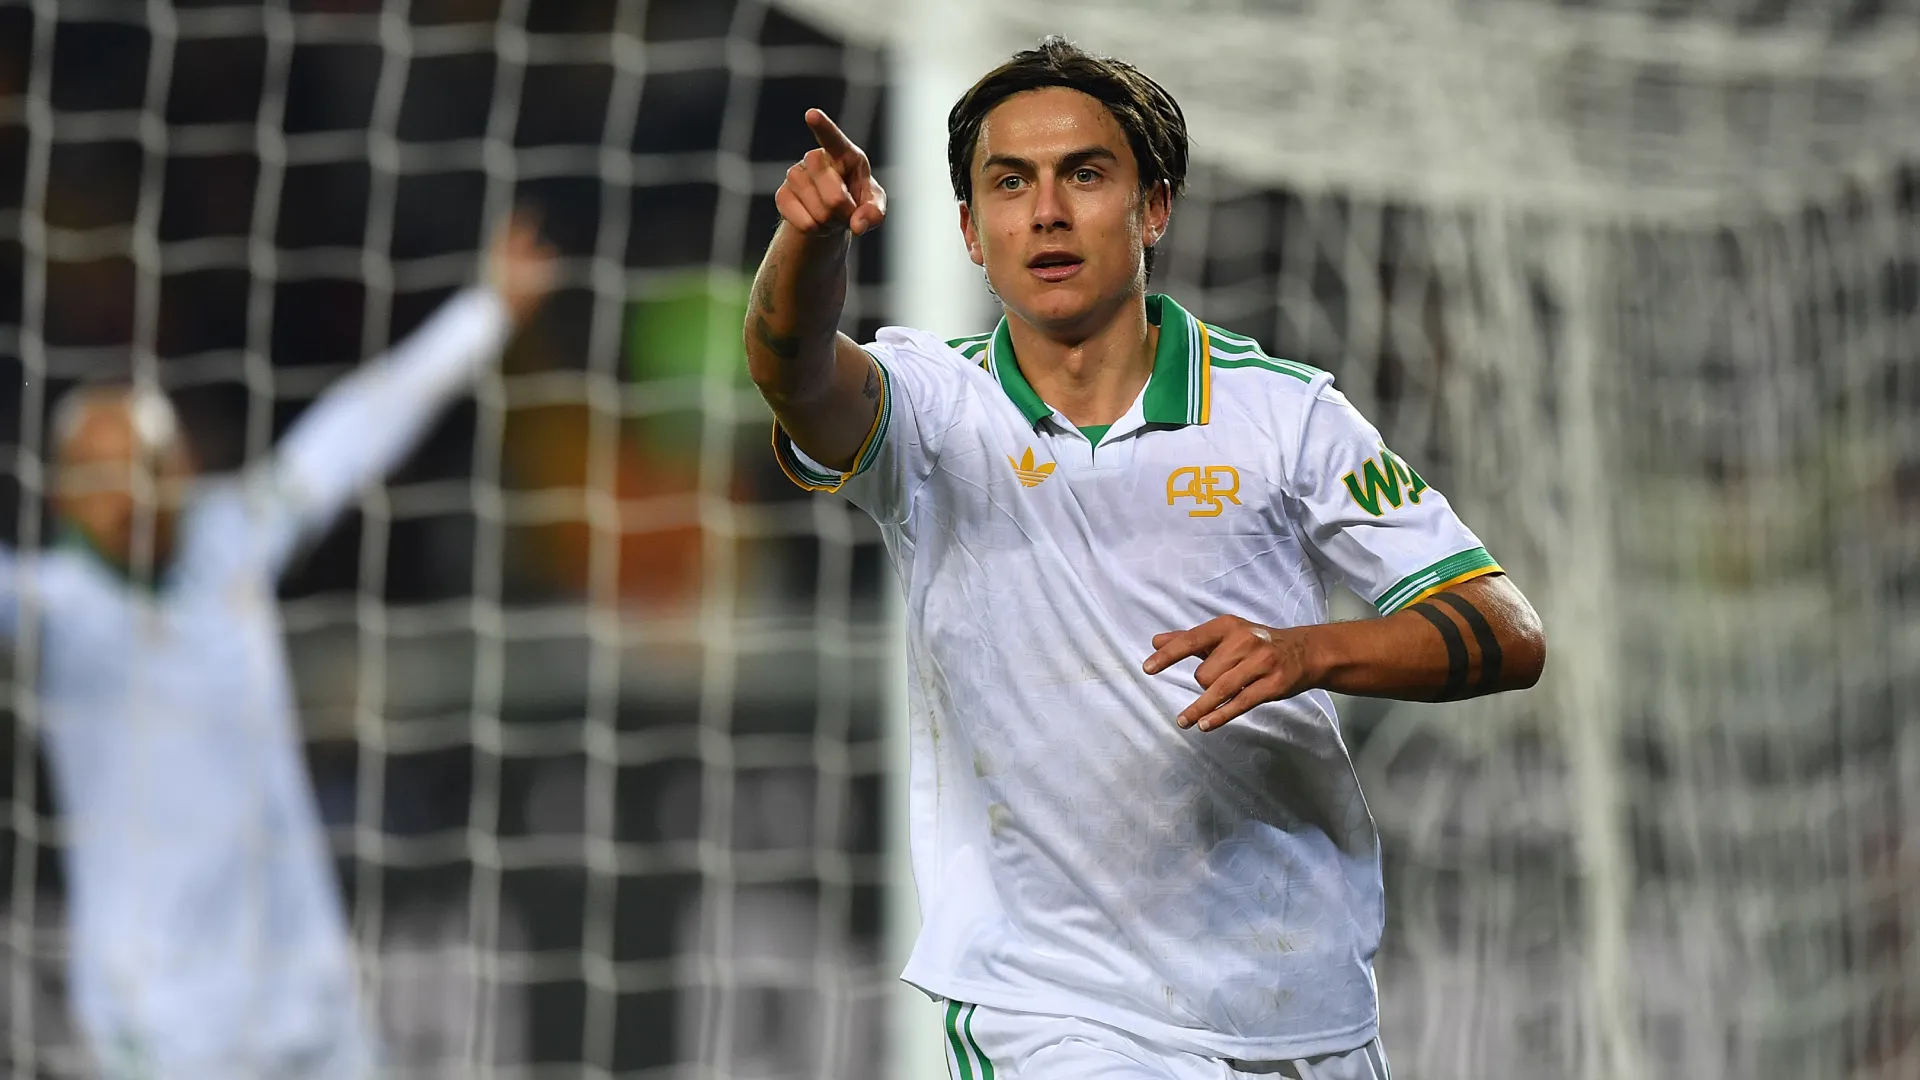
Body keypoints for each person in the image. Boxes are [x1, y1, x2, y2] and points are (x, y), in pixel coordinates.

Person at [743, 38, 1547, 1080]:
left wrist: (1309, 653)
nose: (1045, 212)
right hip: (1053, 1008)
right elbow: (792, 369)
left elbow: (1507, 633)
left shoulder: (1285, 415)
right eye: (1009, 183)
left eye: (1083, 174)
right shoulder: (933, 412)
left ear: (1153, 208)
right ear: (969, 234)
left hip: (1300, 1003)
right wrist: (809, 244)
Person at [0, 214, 555, 1079]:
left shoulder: (232, 542)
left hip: (306, 998)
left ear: (181, 467)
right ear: (63, 496)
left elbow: (352, 430)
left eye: (141, 465)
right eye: (97, 476)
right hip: (168, 1024)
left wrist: (481, 314)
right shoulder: (54, 609)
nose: (125, 495)